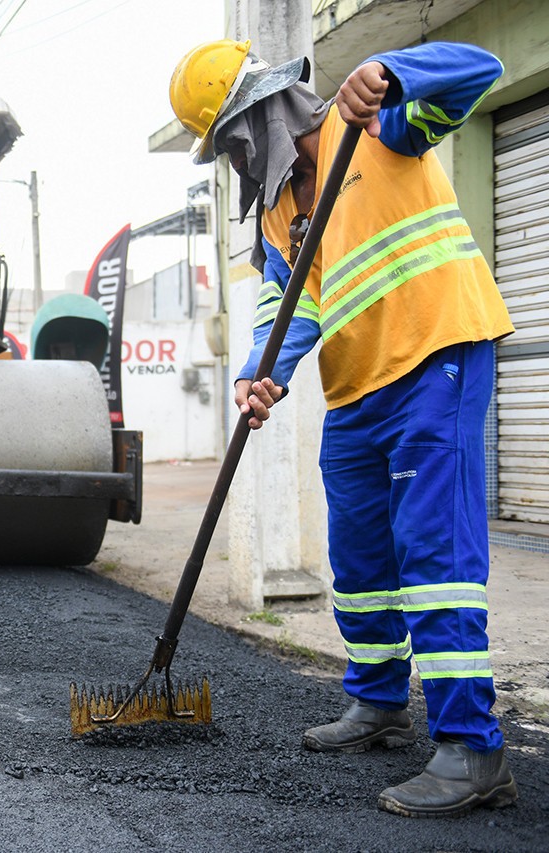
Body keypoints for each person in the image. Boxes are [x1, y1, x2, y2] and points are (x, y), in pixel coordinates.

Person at [170, 39, 517, 818]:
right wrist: (258, 374)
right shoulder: (281, 210)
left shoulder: (375, 124)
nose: (232, 156)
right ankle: (378, 698)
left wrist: (394, 73)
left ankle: (473, 746)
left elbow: (479, 72)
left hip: (436, 357)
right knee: (359, 550)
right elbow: (290, 303)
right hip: (357, 386)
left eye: (230, 138)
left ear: (256, 115)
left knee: (435, 555)